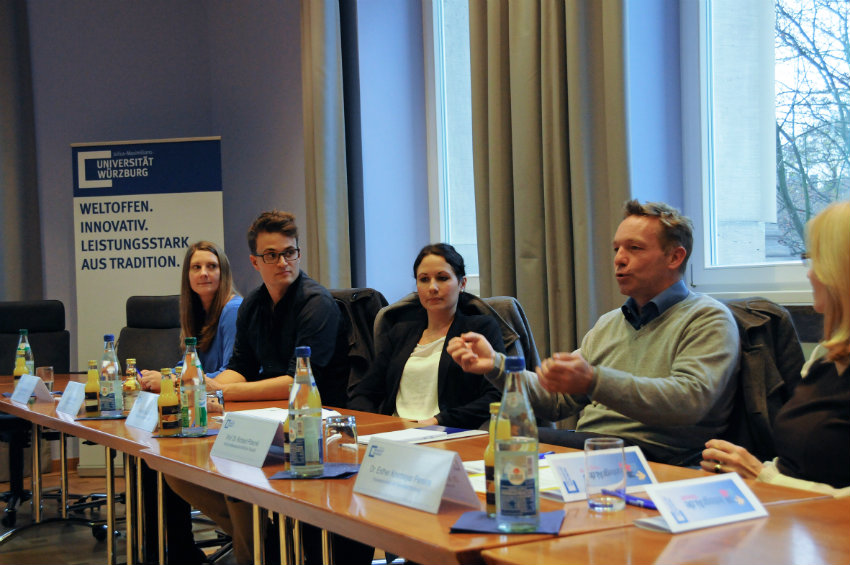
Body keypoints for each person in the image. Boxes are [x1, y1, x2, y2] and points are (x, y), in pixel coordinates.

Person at [448, 200, 740, 466]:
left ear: (675, 257)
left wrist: (593, 379)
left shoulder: (707, 318)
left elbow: (689, 402)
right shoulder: (609, 324)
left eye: (634, 248)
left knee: (504, 447)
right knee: (484, 446)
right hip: (593, 448)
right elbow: (556, 403)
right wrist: (496, 366)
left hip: (655, 457)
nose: (619, 259)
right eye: (617, 249)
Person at [165, 211, 366, 565]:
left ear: (298, 255)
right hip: (271, 419)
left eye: (289, 252)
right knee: (177, 471)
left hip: (320, 425)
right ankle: (265, 546)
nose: (282, 262)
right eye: (271, 255)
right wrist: (204, 386)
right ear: (255, 262)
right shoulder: (253, 305)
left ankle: (256, 551)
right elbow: (240, 368)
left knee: (234, 471)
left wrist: (218, 392)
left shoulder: (316, 304)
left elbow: (296, 383)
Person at [701, 201, 850, 496]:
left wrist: (761, 475)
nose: (809, 274)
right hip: (795, 521)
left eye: (816, 259)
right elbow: (795, 463)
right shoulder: (823, 362)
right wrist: (749, 469)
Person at [348, 243, 504, 429]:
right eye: (424, 279)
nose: (432, 287)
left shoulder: (479, 330)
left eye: (442, 278)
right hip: (395, 434)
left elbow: (496, 397)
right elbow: (364, 393)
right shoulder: (400, 332)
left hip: (447, 432)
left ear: (462, 284)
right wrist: (379, 426)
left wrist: (439, 421)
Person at [140, 241, 242, 391]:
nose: (203, 273)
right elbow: (187, 366)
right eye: (196, 267)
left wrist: (169, 381)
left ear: (224, 272)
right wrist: (158, 376)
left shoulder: (233, 310)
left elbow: (232, 374)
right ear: (187, 275)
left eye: (212, 266)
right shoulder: (197, 311)